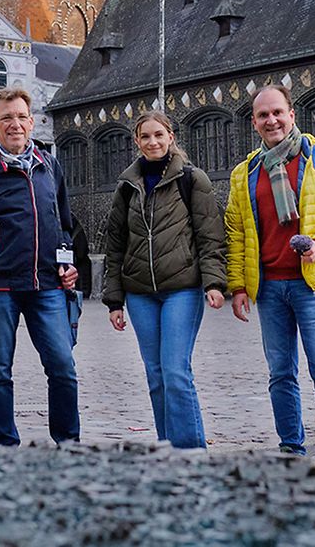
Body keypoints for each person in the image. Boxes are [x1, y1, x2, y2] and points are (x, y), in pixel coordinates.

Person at [224, 84, 315, 474]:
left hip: (311, 284)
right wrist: (238, 286)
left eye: (277, 112)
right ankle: (291, 450)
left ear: (291, 115)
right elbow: (235, 232)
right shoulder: (244, 174)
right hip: (269, 287)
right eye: (263, 115)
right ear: (254, 123)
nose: (271, 120)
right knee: (281, 374)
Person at [0, 86, 80, 446]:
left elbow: (63, 224)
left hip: (47, 285)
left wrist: (67, 263)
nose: (15, 124)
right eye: (6, 118)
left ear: (32, 122)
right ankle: (5, 447)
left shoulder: (49, 165)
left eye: (21, 117)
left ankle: (69, 443)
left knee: (63, 367)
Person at [101, 111, 226, 449]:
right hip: (139, 292)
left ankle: (190, 453)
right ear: (136, 141)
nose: (153, 141)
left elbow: (210, 235)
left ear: (171, 136)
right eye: (145, 136)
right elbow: (115, 245)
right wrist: (114, 300)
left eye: (159, 134)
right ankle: (167, 450)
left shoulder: (192, 179)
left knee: (175, 372)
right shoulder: (127, 186)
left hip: (181, 289)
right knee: (156, 376)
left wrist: (214, 283)